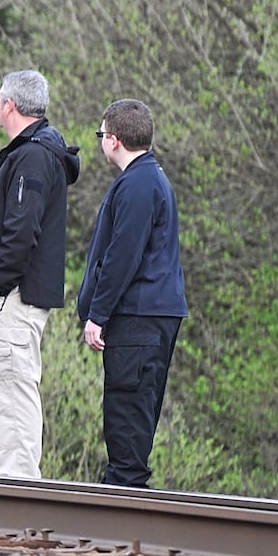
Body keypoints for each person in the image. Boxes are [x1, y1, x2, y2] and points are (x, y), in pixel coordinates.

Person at [78, 100, 187, 489]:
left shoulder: (138, 184)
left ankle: (124, 499)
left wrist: (98, 314)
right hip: (152, 314)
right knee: (136, 412)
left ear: (114, 140)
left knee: (126, 414)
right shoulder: (149, 178)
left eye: (101, 134)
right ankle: (125, 495)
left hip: (138, 318)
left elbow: (122, 256)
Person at [0, 71, 81, 478]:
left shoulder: (32, 156)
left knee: (11, 392)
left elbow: (21, 229)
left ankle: (17, 489)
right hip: (18, 296)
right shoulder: (37, 152)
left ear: (9, 105)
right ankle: (12, 484)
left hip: (13, 298)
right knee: (10, 390)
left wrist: (0, 282)